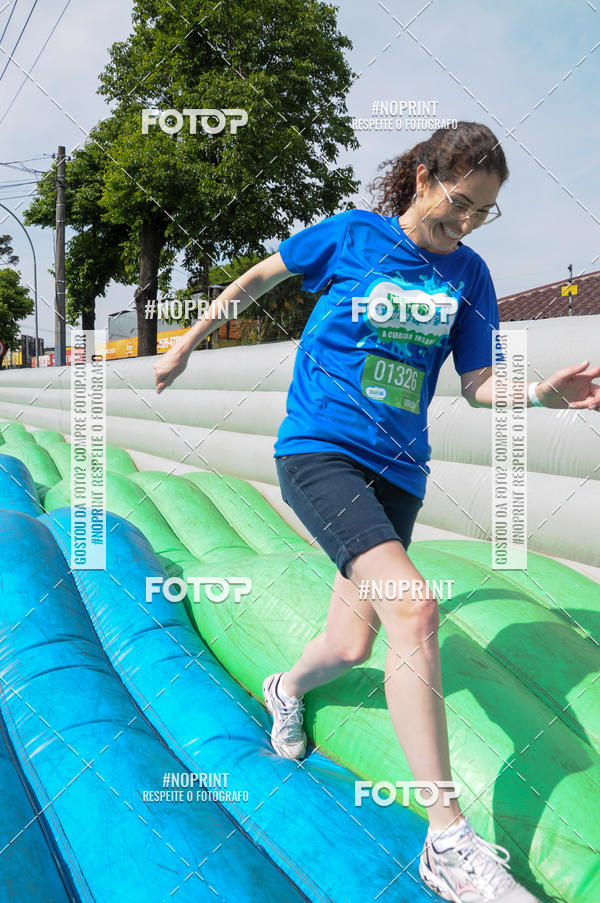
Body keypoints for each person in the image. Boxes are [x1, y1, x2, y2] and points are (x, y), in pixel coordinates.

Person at [154, 121, 600, 903]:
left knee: (351, 642)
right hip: (320, 450)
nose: (467, 222)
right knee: (415, 606)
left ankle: (286, 687)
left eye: (484, 211)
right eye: (459, 202)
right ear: (423, 177)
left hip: (400, 473)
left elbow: (477, 383)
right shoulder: (353, 236)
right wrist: (188, 339)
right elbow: (258, 279)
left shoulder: (471, 275)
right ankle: (447, 841)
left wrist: (538, 394)